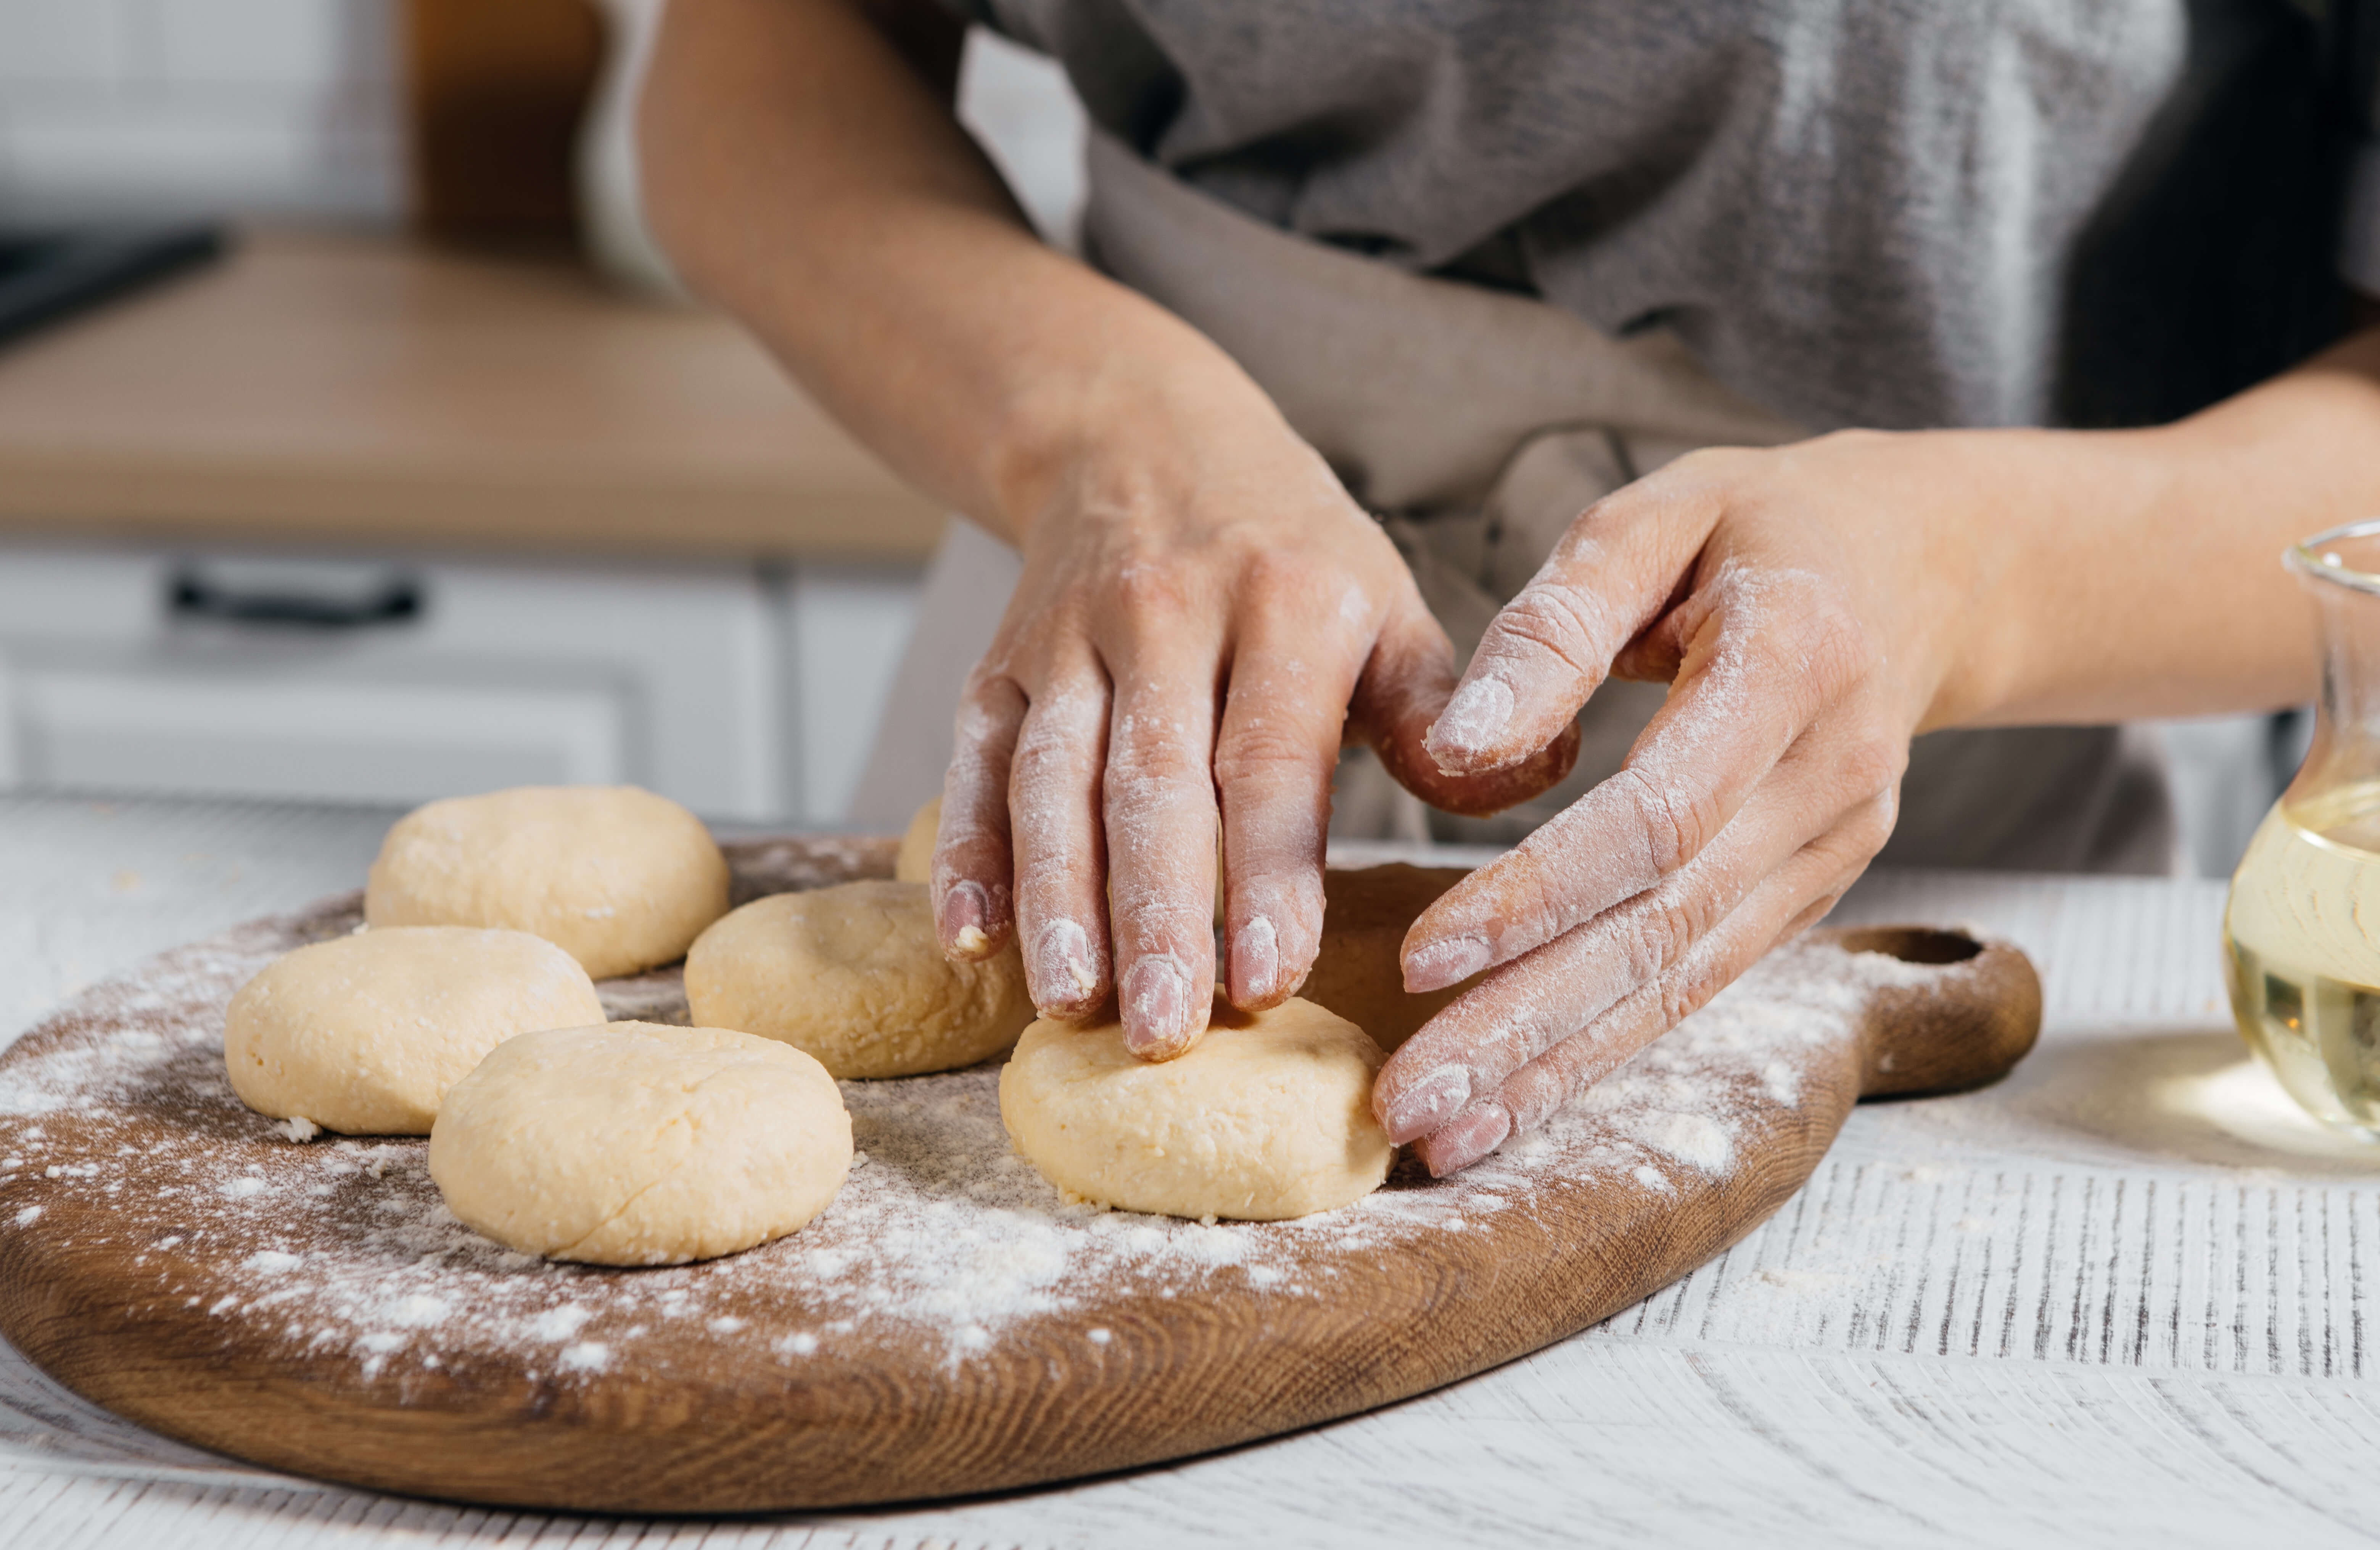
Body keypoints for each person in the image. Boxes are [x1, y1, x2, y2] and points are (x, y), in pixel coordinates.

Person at [642, 0, 2380, 1175]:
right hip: (1125, 662)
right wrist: (1109, 439)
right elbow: (750, 70)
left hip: (1948, 780)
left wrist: (1960, 577)